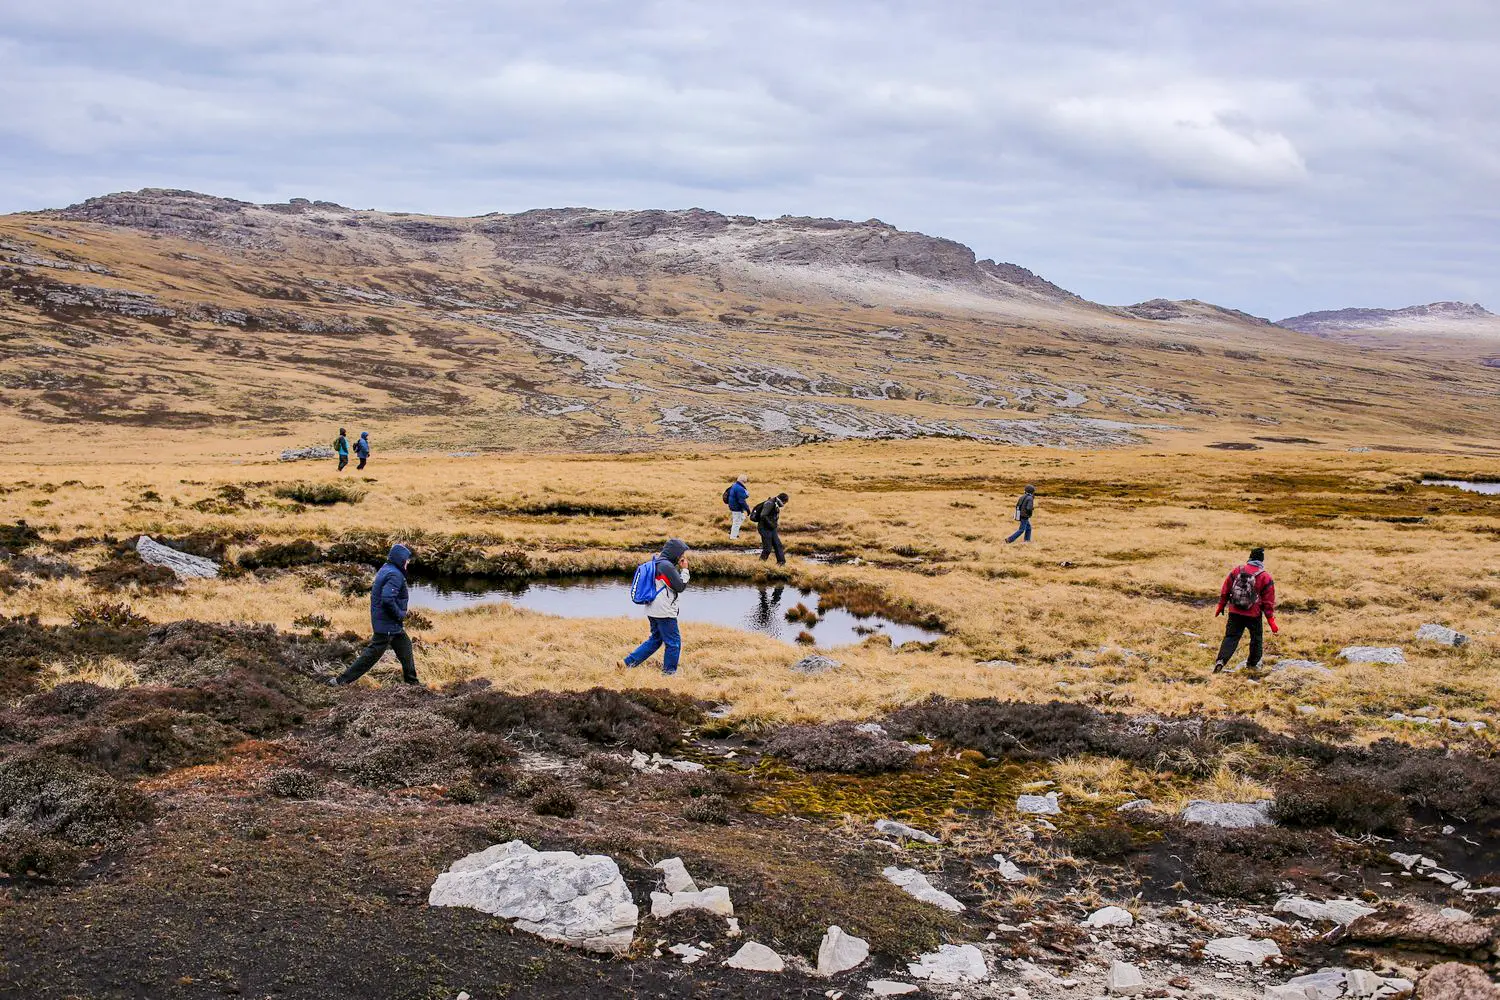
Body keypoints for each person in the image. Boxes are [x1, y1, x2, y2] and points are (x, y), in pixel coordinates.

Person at [331, 543, 418, 686]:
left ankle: (412, 683)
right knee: (371, 656)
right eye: (406, 560)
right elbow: (387, 599)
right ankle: (340, 681)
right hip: (388, 624)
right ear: (400, 559)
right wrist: (399, 614)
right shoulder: (394, 574)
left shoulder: (387, 568)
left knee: (405, 646)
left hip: (390, 624)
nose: (408, 562)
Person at [620, 539, 691, 676]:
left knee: (655, 640)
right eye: (681, 553)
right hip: (664, 611)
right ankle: (669, 674)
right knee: (673, 643)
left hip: (652, 609)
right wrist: (685, 570)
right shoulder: (667, 566)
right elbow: (680, 586)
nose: (682, 556)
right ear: (675, 553)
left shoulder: (657, 563)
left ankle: (626, 663)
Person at [1213, 546, 1278, 673]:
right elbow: (1268, 601)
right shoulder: (1265, 577)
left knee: (1231, 637)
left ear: (1250, 557)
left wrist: (1221, 605)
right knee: (1256, 638)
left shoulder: (1237, 570)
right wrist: (1271, 620)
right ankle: (1252, 664)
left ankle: (1221, 660)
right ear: (1261, 560)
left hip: (1235, 611)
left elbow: (1226, 588)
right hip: (1253, 614)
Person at [753, 492, 789, 565]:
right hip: (764, 528)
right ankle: (760, 565)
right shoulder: (770, 503)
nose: (784, 504)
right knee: (767, 548)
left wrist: (773, 525)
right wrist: (771, 524)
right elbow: (763, 515)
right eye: (785, 502)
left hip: (771, 528)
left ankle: (781, 563)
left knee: (778, 545)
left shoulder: (776, 503)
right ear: (782, 500)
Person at [724, 475, 751, 540]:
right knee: (736, 522)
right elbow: (741, 500)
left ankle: (733, 532)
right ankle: (733, 537)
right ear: (743, 481)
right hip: (736, 507)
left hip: (733, 506)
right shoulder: (739, 488)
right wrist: (747, 509)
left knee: (742, 518)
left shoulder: (735, 485)